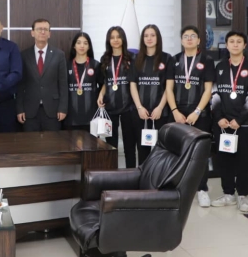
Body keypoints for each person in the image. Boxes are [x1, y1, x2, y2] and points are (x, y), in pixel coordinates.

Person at [209, 31, 248, 212]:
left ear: (245, 45)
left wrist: (239, 119)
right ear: (227, 45)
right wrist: (219, 117)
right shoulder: (220, 66)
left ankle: (243, 195)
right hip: (223, 124)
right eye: (232, 41)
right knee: (224, 159)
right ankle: (228, 193)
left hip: (244, 123)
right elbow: (214, 93)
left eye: (239, 41)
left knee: (243, 160)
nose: (235, 44)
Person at [166, 25, 215, 207]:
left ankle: (202, 189)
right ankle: (178, 187)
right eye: (185, 36)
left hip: (199, 114)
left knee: (200, 153)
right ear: (181, 40)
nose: (189, 39)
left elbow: (208, 90)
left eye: (193, 36)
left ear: (199, 40)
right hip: (177, 113)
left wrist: (197, 112)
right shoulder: (174, 60)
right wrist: (174, 111)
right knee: (177, 152)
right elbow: (169, 88)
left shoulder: (207, 60)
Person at [129, 24, 174, 165]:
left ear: (158, 38)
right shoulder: (135, 59)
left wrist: (160, 108)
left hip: (160, 113)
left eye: (153, 35)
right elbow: (132, 85)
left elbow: (168, 87)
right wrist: (139, 107)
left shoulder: (167, 59)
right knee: (142, 150)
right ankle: (143, 178)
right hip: (140, 113)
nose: (149, 38)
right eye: (146, 35)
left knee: (160, 150)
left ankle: (158, 177)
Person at [97, 26, 139, 168]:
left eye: (118, 37)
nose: (115, 40)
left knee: (129, 145)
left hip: (128, 107)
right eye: (112, 37)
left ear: (123, 39)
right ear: (108, 40)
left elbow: (135, 82)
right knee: (111, 145)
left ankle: (131, 174)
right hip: (110, 107)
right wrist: (101, 94)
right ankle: (112, 174)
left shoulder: (132, 58)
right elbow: (106, 81)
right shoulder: (105, 58)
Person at [17, 19, 68, 131]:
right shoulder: (24, 55)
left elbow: (63, 84)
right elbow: (20, 85)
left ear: (49, 34)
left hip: (53, 110)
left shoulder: (59, 55)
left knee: (52, 141)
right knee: (31, 141)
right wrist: (20, 109)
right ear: (32, 33)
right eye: (39, 29)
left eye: (45, 29)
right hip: (29, 110)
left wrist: (63, 108)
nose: (42, 32)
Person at [64, 32, 100, 131]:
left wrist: (101, 96)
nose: (82, 46)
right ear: (74, 46)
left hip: (92, 117)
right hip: (70, 117)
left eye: (85, 43)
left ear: (89, 46)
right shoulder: (66, 65)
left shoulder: (96, 65)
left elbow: (103, 85)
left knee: (91, 141)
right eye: (79, 42)